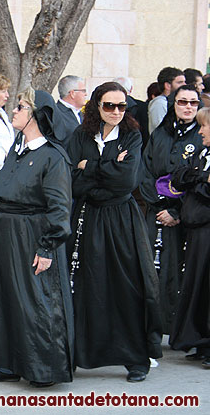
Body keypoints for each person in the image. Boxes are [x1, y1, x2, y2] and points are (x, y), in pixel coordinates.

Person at [0, 88, 73, 387]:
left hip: (32, 235)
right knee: (1, 297)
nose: (13, 111)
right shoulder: (17, 151)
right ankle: (5, 363)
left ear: (35, 115)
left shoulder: (52, 157)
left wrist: (47, 247)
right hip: (4, 232)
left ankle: (42, 368)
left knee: (35, 300)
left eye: (20, 107)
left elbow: (59, 207)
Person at [68, 82, 162, 383]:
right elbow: (72, 180)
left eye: (122, 106)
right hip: (88, 217)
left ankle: (135, 358)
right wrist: (107, 166)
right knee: (87, 286)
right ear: (97, 106)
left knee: (127, 286)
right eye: (109, 106)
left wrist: (90, 167)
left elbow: (126, 182)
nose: (116, 112)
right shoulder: (80, 136)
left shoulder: (132, 135)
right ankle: (79, 354)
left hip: (122, 220)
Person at [140, 84, 202, 334]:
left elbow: (197, 179)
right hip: (156, 213)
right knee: (157, 270)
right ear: (173, 104)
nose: (187, 107)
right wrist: (158, 204)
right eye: (182, 102)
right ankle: (158, 324)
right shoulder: (161, 134)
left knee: (183, 271)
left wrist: (175, 211)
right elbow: (145, 171)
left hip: (187, 216)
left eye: (193, 103)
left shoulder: (202, 136)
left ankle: (183, 327)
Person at [169, 106, 210, 366]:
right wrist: (202, 178)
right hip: (195, 229)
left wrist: (195, 181)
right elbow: (179, 176)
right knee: (195, 285)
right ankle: (198, 339)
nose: (201, 132)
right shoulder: (203, 153)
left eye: (204, 126)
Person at [148, 67, 185, 133]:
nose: (184, 85)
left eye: (184, 82)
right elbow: (162, 130)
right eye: (180, 82)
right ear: (167, 85)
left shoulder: (172, 102)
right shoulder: (159, 103)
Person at [55, 75, 86, 142]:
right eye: (83, 91)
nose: (86, 94)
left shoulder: (81, 114)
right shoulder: (55, 113)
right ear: (72, 93)